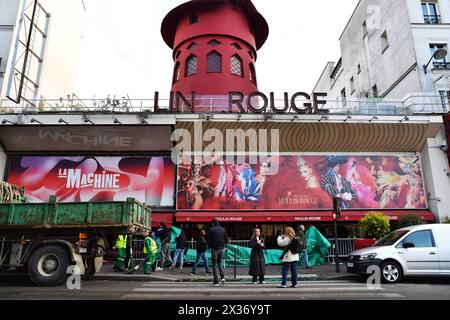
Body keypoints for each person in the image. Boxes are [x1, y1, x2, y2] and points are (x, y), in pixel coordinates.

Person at [208, 219, 229, 286]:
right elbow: (226, 239)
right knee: (219, 262)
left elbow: (209, 240)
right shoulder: (223, 229)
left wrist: (211, 246)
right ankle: (222, 277)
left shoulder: (211, 229)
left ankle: (216, 280)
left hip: (214, 249)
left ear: (213, 223)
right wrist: (223, 244)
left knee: (214, 264)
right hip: (222, 248)